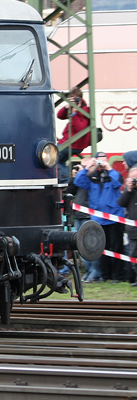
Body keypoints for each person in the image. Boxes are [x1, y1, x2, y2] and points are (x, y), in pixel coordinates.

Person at [74, 152, 127, 282]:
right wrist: (87, 168)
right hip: (98, 219)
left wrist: (109, 168)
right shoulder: (92, 177)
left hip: (114, 217)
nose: (101, 163)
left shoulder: (113, 174)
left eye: (103, 160)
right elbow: (78, 181)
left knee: (116, 248)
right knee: (101, 248)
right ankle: (105, 275)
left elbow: (117, 183)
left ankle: (117, 276)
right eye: (99, 161)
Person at [57, 86, 91, 178]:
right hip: (70, 142)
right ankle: (65, 178)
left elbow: (80, 128)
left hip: (73, 143)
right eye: (71, 98)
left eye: (75, 98)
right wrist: (67, 107)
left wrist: (75, 113)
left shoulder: (84, 110)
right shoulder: (72, 107)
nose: (73, 100)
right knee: (59, 161)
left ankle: (65, 180)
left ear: (80, 98)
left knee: (52, 158)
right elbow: (59, 115)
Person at [119, 159, 137, 286]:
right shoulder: (129, 191)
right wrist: (128, 189)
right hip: (132, 231)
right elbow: (121, 203)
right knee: (133, 255)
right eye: (132, 179)